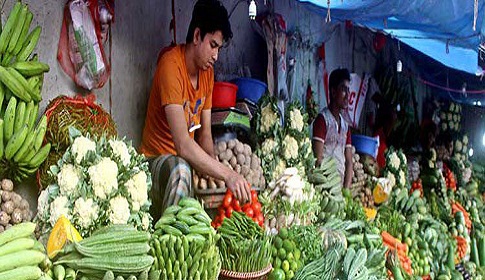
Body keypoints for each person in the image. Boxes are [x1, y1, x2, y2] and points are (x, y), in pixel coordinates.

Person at [140, 0, 250, 220]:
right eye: (213, 45)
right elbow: (182, 144)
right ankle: (166, 243)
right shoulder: (171, 66)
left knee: (198, 177)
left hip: (184, 161)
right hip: (155, 161)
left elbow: (205, 135)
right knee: (180, 170)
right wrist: (227, 174)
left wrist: (214, 174)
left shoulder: (207, 74)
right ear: (197, 35)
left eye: (219, 47)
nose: (216, 56)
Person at [312, 68, 353, 188]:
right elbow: (318, 160)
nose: (347, 95)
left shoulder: (346, 127)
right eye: (343, 90)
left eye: (348, 90)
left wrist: (346, 190)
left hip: (339, 189)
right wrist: (329, 190)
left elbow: (349, 161)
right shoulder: (322, 120)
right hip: (324, 188)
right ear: (333, 92)